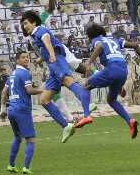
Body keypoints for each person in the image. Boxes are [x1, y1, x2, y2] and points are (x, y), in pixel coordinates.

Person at [21, 10, 92, 143]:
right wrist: (41, 59)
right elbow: (45, 46)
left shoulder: (38, 30)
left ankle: (88, 105)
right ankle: (67, 126)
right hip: (52, 65)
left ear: (34, 22)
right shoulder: (33, 36)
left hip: (57, 60)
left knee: (68, 81)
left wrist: (52, 55)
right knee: (44, 99)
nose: (24, 26)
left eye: (26, 23)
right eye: (23, 24)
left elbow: (46, 39)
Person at [82, 24, 140, 137]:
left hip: (112, 68)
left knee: (86, 86)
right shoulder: (115, 40)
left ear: (91, 36)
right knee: (111, 100)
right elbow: (135, 45)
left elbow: (100, 46)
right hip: (123, 70)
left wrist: (88, 63)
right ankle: (130, 121)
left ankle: (86, 115)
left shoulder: (96, 40)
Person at [3, 51, 42, 174]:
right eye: (23, 57)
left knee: (17, 137)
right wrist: (43, 90)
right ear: (17, 60)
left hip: (12, 110)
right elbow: (29, 90)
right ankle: (26, 167)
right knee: (31, 139)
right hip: (22, 110)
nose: (27, 59)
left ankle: (11, 165)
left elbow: (4, 91)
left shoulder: (12, 74)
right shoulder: (24, 73)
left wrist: (3, 108)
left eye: (28, 57)